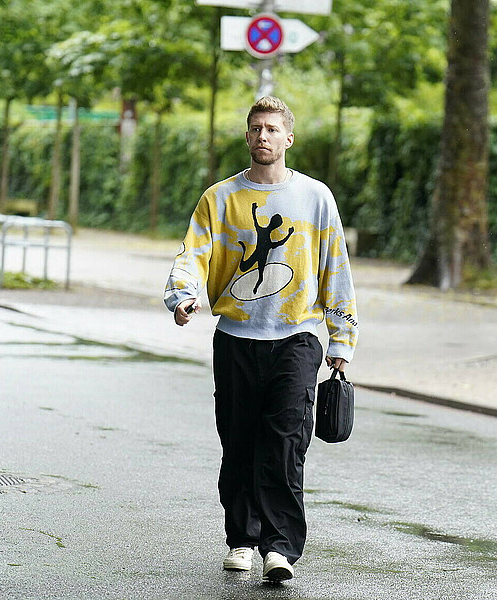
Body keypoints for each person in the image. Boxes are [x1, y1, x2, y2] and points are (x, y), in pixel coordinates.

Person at [164, 96, 359, 582]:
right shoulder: (220, 198)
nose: (263, 137)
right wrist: (183, 296)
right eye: (255, 129)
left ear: (288, 138)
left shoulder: (316, 197)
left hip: (298, 336)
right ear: (247, 136)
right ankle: (241, 540)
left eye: (272, 129)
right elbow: (195, 252)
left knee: (287, 440)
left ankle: (280, 548)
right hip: (236, 337)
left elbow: (336, 266)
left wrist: (341, 340)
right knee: (239, 441)